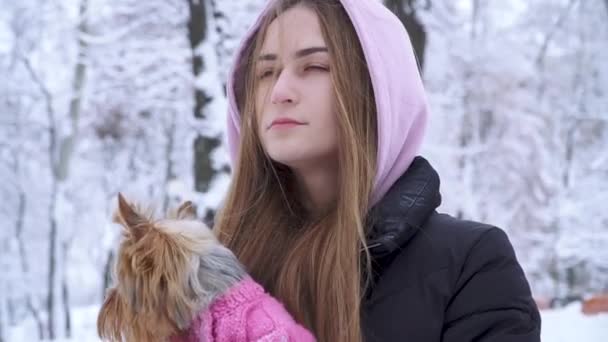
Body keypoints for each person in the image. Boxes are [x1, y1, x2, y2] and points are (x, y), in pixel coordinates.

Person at [214, 0, 542, 341]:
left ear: (378, 88)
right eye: (265, 73)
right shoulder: (211, 270)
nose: (279, 92)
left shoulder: (470, 265)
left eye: (314, 66)